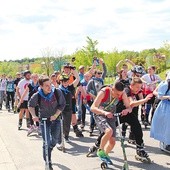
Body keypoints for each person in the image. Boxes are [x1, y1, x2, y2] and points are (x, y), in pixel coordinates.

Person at [28, 76, 66, 170]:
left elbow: (62, 104)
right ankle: (48, 162)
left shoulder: (57, 92)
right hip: (44, 120)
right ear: (41, 86)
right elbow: (30, 106)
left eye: (50, 84)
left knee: (54, 140)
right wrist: (33, 115)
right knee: (46, 142)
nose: (49, 87)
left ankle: (49, 149)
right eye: (46, 86)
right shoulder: (37, 95)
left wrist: (56, 115)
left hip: (56, 119)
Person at [90, 81, 132, 161]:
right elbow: (93, 108)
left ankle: (105, 154)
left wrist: (126, 110)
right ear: (112, 89)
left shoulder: (122, 94)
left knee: (112, 142)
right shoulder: (104, 92)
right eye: (117, 94)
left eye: (120, 94)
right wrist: (104, 112)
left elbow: (129, 107)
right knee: (109, 131)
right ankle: (100, 151)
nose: (118, 96)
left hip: (111, 116)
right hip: (100, 114)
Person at [58, 70, 80, 144]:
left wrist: (74, 71)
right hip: (60, 109)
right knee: (61, 124)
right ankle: (59, 138)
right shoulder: (58, 89)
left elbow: (77, 79)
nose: (66, 83)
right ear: (61, 82)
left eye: (67, 82)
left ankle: (66, 136)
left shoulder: (70, 87)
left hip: (68, 108)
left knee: (67, 124)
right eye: (64, 82)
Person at [86, 58, 107, 135]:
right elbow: (87, 90)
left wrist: (103, 63)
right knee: (93, 114)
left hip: (101, 100)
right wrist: (94, 97)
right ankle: (91, 128)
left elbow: (105, 71)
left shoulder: (101, 80)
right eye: (98, 73)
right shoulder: (91, 81)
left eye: (100, 73)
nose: (99, 74)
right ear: (95, 74)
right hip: (94, 100)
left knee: (101, 114)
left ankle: (101, 128)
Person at [150, 72, 170, 152]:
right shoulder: (165, 85)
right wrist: (168, 97)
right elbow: (160, 96)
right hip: (165, 107)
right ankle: (165, 144)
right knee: (166, 126)